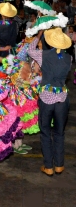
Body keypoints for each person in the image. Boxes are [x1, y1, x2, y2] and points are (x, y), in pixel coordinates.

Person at [28, 28, 71, 176]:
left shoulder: (43, 55)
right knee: (59, 133)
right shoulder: (69, 58)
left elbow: (30, 49)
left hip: (46, 98)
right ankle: (59, 165)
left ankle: (48, 166)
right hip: (62, 99)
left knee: (45, 132)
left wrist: (39, 34)